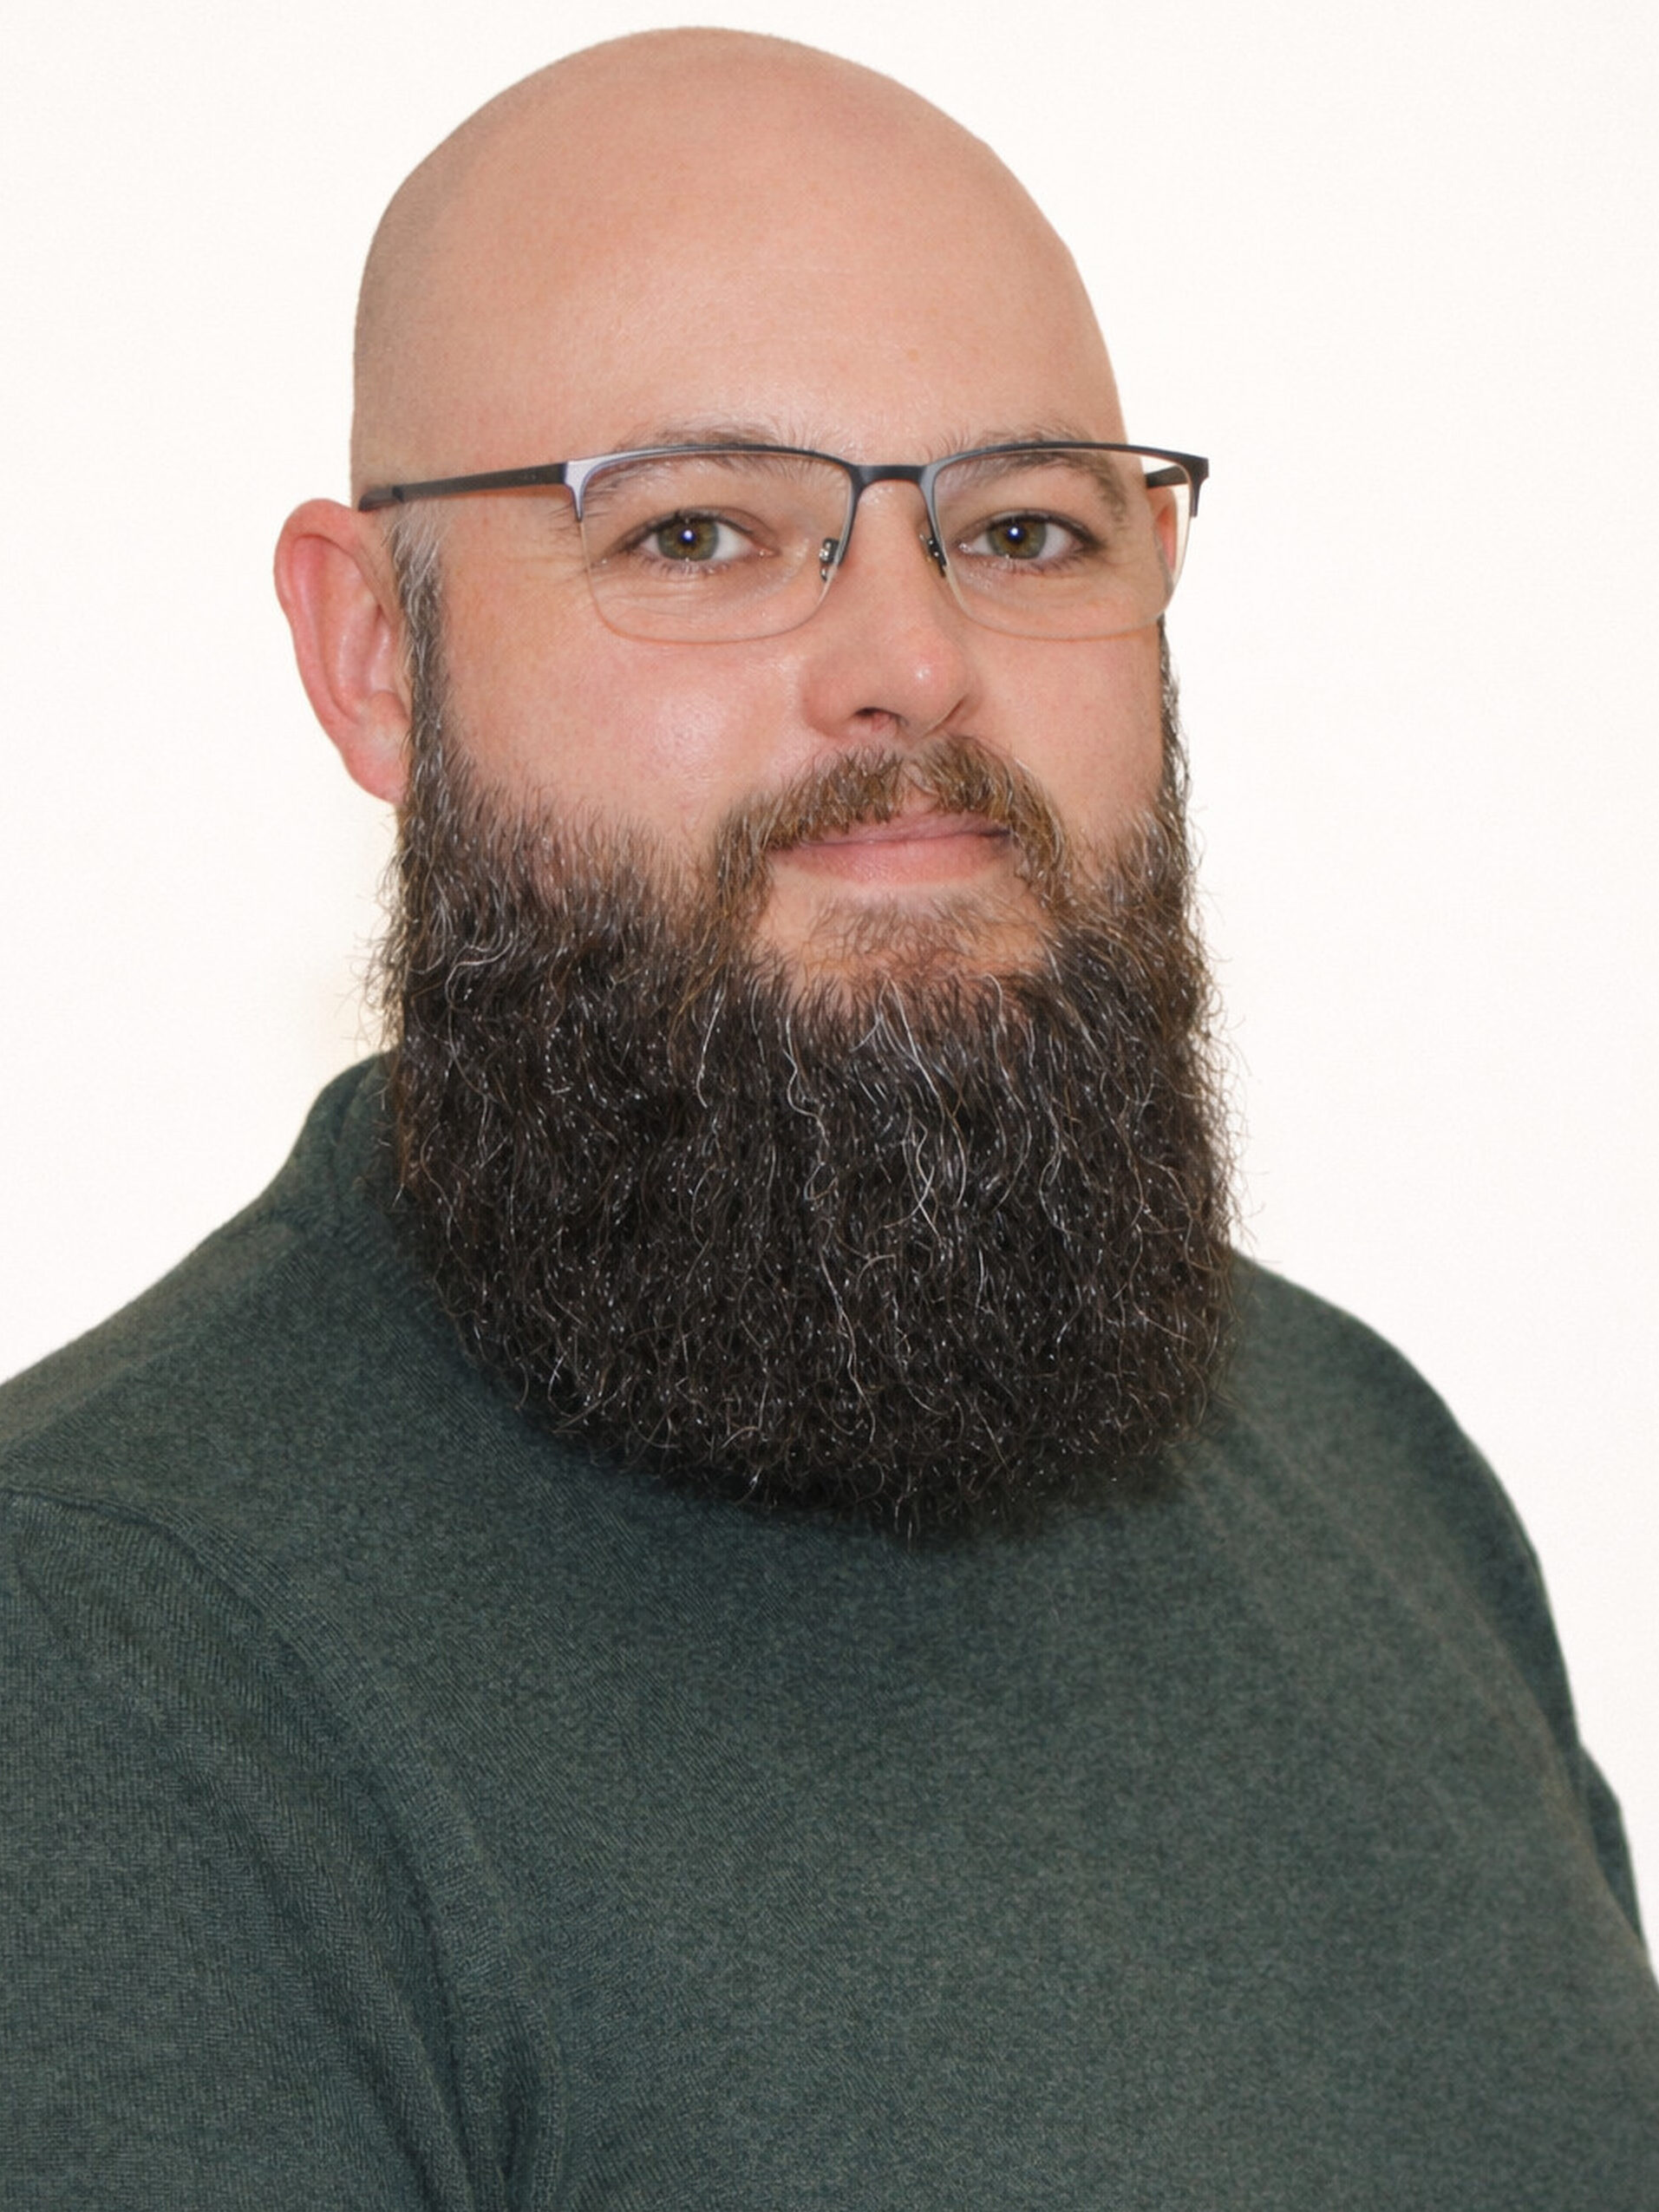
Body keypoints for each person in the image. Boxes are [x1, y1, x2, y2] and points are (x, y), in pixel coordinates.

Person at [3, 27, 1656, 2206]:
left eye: (1029, 528)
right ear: (376, 655)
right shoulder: (104, 1671)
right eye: (697, 530)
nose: (913, 661)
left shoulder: (1373, 1465)